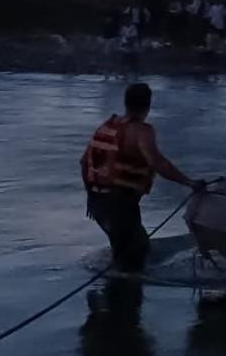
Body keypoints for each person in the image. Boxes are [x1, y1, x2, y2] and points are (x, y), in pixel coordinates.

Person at [80, 83, 203, 271]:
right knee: (133, 256)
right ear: (148, 104)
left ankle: (110, 292)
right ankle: (121, 296)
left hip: (98, 204)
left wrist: (91, 196)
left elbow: (84, 162)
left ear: (126, 102)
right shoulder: (141, 131)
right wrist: (190, 182)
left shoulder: (107, 126)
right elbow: (158, 163)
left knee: (130, 249)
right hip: (119, 205)